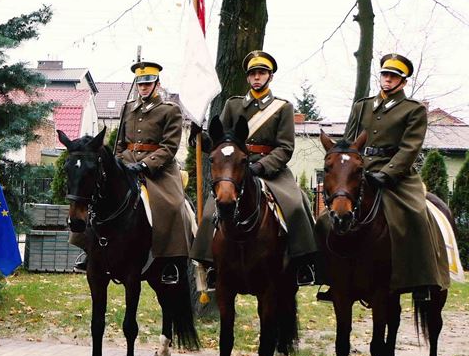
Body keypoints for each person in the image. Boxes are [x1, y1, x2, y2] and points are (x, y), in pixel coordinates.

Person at [190, 50, 319, 286]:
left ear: (270, 77)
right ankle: (209, 265)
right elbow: (223, 143)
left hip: (270, 169)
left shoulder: (283, 108)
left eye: (262, 73)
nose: (257, 77)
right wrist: (200, 138)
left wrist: (260, 167)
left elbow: (285, 147)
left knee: (296, 205)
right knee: (210, 212)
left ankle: (304, 263)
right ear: (248, 78)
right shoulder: (233, 104)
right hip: (234, 169)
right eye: (253, 74)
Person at [328, 53, 449, 301]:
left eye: (394, 76)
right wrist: (349, 167)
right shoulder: (362, 105)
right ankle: (332, 278)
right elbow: (349, 142)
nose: (388, 80)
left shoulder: (413, 110)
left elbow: (409, 148)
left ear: (402, 82)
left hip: (397, 174)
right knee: (330, 215)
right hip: (359, 171)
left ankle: (423, 280)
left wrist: (387, 174)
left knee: (416, 214)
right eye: (385, 74)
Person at [71, 60, 192, 284]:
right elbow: (119, 143)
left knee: (173, 205)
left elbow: (169, 147)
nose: (144, 87)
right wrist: (116, 164)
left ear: (157, 84)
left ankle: (170, 262)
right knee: (94, 196)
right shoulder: (128, 107)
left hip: (159, 170)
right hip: (125, 165)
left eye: (148, 83)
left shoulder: (170, 110)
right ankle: (89, 252)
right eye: (140, 84)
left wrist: (145, 165)